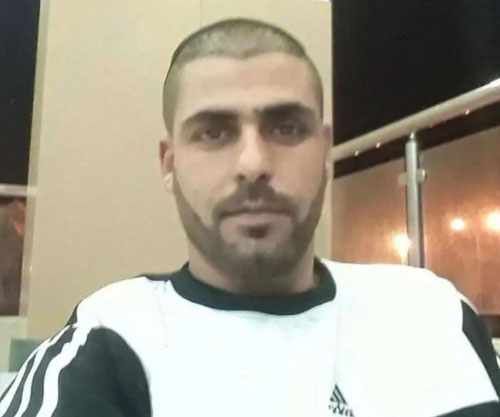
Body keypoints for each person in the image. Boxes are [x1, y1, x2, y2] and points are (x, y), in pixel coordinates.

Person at [1, 17, 499, 417]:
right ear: (169, 163)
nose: (254, 164)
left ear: (325, 150)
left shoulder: (434, 313)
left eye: (287, 127)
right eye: (214, 132)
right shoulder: (109, 343)